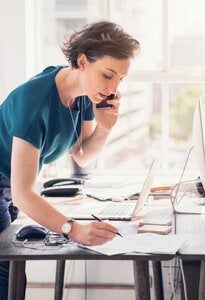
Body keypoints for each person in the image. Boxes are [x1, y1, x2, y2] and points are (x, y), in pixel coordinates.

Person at [0, 20, 140, 299]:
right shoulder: (35, 102)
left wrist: (105, 128)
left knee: (11, 276)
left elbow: (83, 154)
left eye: (120, 79)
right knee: (7, 278)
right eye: (108, 75)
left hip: (8, 187)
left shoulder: (85, 95)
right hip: (7, 187)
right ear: (82, 61)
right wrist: (73, 230)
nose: (113, 88)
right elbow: (23, 194)